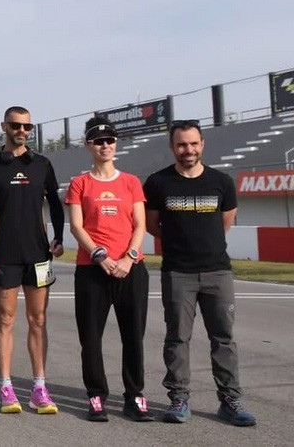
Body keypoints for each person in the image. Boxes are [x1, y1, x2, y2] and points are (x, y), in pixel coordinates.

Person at [144, 120, 257, 427]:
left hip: (217, 272)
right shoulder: (157, 182)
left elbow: (225, 222)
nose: (188, 150)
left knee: (224, 339)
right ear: (172, 147)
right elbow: (152, 225)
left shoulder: (221, 181)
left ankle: (229, 401)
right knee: (177, 338)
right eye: (182, 144)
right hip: (177, 273)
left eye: (193, 143)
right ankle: (179, 399)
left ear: (202, 144)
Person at [0, 106, 64, 414]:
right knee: (6, 320)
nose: (22, 131)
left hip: (38, 255)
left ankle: (39, 387)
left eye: (27, 126)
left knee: (38, 320)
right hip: (6, 256)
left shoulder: (42, 164)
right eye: (15, 125)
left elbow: (55, 204)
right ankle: (6, 387)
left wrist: (59, 237)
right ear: (4, 126)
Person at [66, 117, 152, 422]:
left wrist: (129, 257)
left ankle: (135, 396)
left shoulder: (131, 182)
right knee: (90, 337)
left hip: (130, 269)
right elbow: (76, 226)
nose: (105, 146)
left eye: (110, 140)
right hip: (92, 269)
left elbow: (140, 224)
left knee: (133, 336)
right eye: (99, 141)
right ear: (89, 145)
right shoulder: (80, 184)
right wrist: (99, 255)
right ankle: (96, 395)